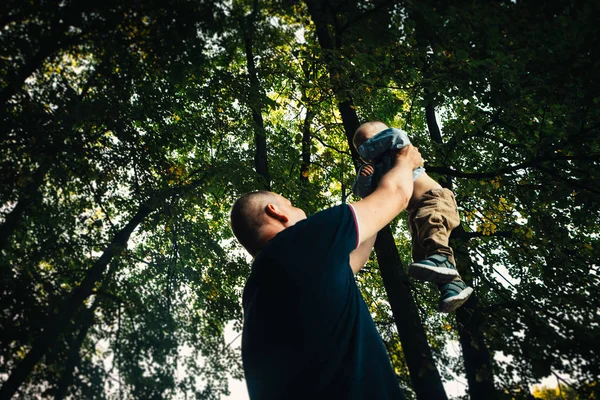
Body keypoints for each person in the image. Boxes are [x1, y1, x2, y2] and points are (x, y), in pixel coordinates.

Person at [230, 144, 423, 399]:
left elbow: (355, 259)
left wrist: (369, 192)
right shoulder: (301, 240)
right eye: (291, 204)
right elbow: (397, 193)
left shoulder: (261, 291)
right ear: (275, 212)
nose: (299, 209)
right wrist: (405, 160)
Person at [352, 121, 473, 313]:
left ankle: (442, 259)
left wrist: (367, 150)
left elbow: (396, 134)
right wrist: (365, 177)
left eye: (368, 141)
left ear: (382, 135)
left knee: (431, 227)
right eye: (360, 148)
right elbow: (364, 193)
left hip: (434, 198)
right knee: (422, 253)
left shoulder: (400, 147)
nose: (364, 150)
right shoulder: (379, 170)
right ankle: (453, 285)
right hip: (416, 212)